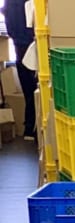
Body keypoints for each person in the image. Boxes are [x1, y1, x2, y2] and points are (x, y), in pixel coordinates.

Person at [2, 0, 36, 139]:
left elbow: (9, 22)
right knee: (36, 90)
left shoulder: (10, 3)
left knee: (29, 92)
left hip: (19, 46)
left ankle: (29, 128)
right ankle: (32, 128)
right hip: (31, 45)